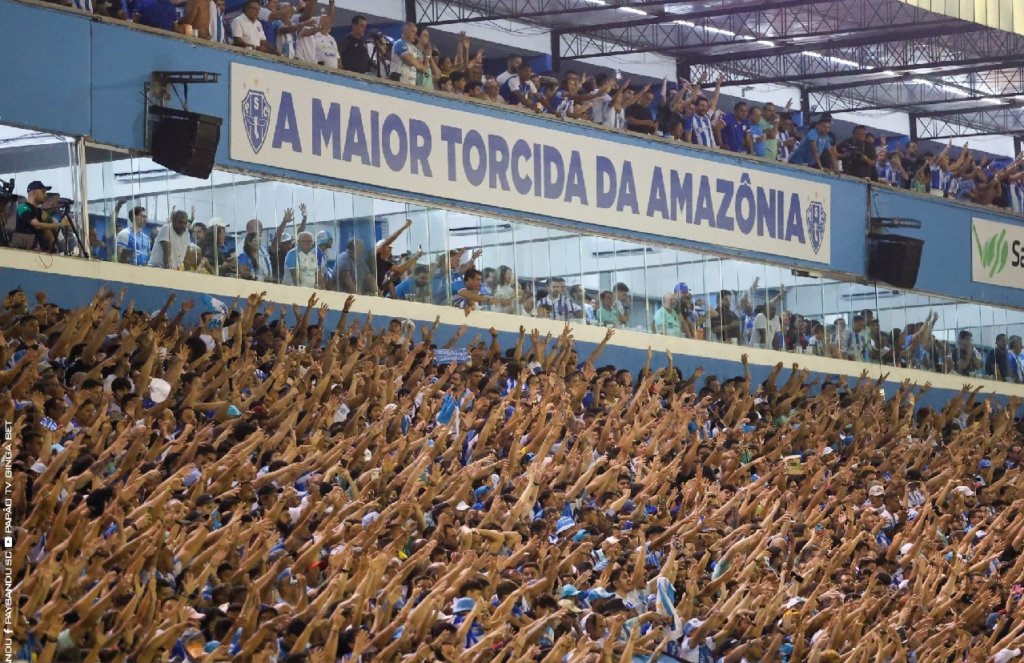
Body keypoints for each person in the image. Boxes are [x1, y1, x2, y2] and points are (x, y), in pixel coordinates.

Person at [11, 181, 69, 252]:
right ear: (33, 192)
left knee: (47, 231)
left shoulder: (39, 211)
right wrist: (61, 224)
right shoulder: (23, 208)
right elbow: (37, 225)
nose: (45, 195)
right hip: (23, 252)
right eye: (43, 192)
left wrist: (51, 220)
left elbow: (49, 229)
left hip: (39, 252)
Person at [390, 21, 428, 85]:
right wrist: (416, 62)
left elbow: (422, 68)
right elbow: (411, 61)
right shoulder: (400, 43)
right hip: (399, 82)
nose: (415, 35)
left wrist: (417, 62)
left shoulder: (414, 48)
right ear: (405, 31)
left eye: (416, 32)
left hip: (411, 83)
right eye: (413, 32)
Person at [114, 201, 152, 266]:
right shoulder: (124, 234)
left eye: (146, 217)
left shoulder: (146, 238)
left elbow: (148, 258)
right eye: (143, 216)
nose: (146, 219)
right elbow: (119, 258)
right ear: (134, 217)